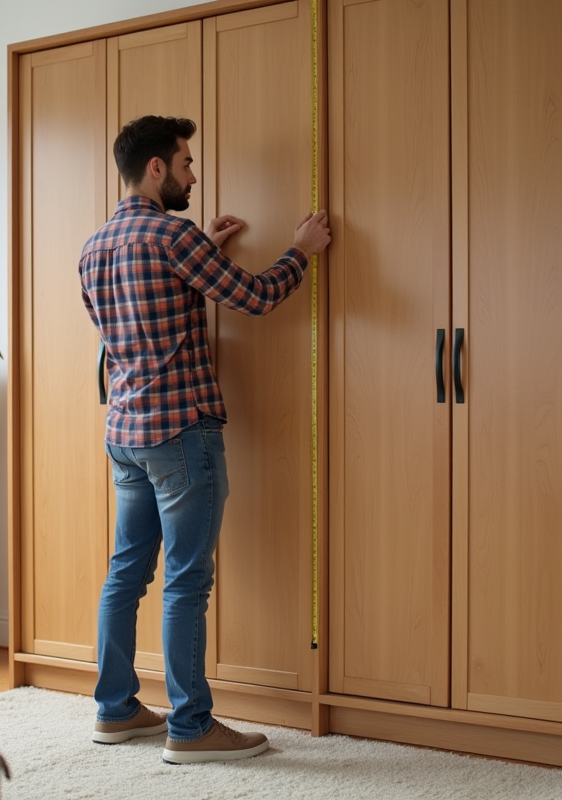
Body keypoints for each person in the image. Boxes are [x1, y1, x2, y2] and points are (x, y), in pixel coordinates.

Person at [79, 115, 331, 765]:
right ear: (156, 168)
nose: (194, 174)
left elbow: (135, 323)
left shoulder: (96, 246)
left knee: (126, 572)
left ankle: (116, 709)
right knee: (187, 581)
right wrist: (299, 250)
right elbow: (253, 298)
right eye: (186, 163)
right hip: (182, 432)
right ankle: (191, 727)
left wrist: (204, 255)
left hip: (126, 433)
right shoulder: (172, 234)